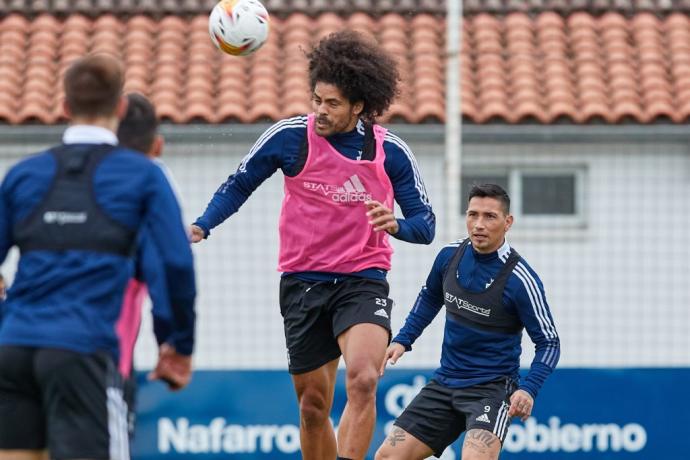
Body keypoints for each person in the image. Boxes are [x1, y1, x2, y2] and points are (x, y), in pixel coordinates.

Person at [191, 30, 435, 460]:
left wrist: (394, 225)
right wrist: (202, 225)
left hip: (363, 279)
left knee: (362, 378)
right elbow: (239, 184)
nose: (321, 111)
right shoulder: (290, 137)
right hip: (303, 283)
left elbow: (425, 224)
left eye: (332, 104)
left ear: (358, 106)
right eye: (317, 100)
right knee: (312, 406)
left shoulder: (388, 151)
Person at [0, 54, 196, 460]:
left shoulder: (24, 174)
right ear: (120, 107)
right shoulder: (144, 175)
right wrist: (177, 343)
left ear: (66, 107)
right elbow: (174, 263)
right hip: (81, 350)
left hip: (13, 348)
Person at [376, 184, 560, 460]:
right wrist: (403, 339)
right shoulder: (449, 257)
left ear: (507, 223)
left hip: (492, 390)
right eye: (473, 215)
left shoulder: (521, 280)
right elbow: (429, 298)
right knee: (386, 457)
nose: (479, 224)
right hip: (445, 383)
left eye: (489, 216)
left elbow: (549, 342)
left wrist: (528, 388)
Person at [115, 92, 180, 439]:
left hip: (19, 348)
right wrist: (173, 344)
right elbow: (169, 270)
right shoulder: (150, 180)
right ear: (157, 145)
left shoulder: (39, 173)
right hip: (97, 358)